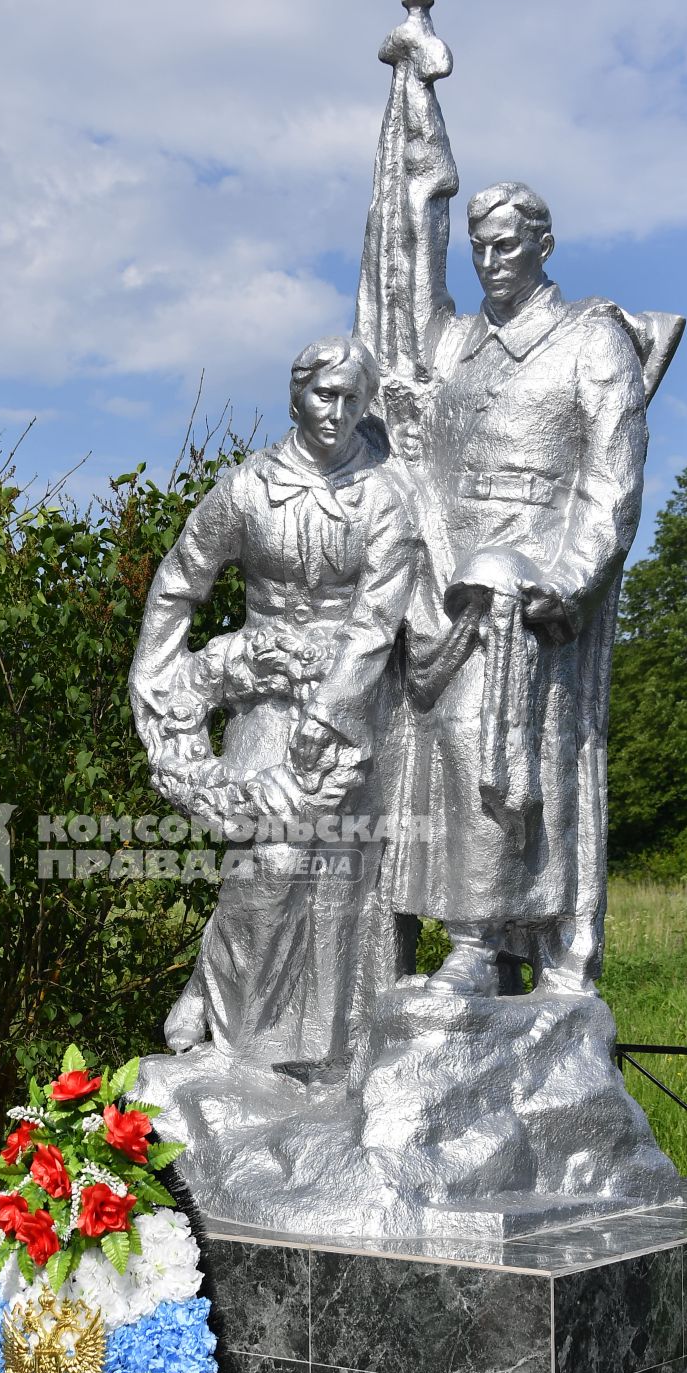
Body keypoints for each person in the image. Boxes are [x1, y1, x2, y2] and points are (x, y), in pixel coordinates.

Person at [299, 182, 654, 996]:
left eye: (506, 244)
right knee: (419, 758)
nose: (491, 261)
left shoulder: (589, 341)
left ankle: (478, 941)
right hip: (435, 573)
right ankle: (422, 941)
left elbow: (611, 482)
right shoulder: (455, 343)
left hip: (522, 592)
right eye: (479, 246)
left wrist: (571, 579)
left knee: (487, 752)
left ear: (543, 245)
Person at [130, 334, 419, 1065]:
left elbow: (379, 614)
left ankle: (325, 1058)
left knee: (345, 887)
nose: (340, 411)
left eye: (354, 398)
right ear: (296, 394)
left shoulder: (383, 495)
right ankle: (230, 1027)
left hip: (354, 708)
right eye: (326, 394)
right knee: (272, 859)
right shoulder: (247, 489)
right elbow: (179, 583)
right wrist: (160, 683)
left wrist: (333, 707)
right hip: (263, 695)